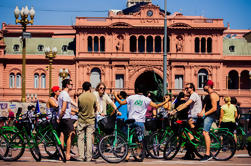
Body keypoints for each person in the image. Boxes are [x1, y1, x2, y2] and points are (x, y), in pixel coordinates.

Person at [113, 85, 170, 161]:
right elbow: (156, 106)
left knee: (129, 139)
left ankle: (127, 154)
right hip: (140, 122)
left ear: (136, 90)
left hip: (130, 121)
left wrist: (115, 95)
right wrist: (166, 101)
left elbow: (121, 102)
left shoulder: (131, 97)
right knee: (139, 140)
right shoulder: (146, 99)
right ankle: (139, 156)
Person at [171, 83, 202, 160]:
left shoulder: (194, 95)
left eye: (187, 88)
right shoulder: (191, 96)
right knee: (187, 135)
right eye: (185, 89)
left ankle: (196, 141)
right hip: (190, 117)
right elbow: (183, 104)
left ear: (192, 88)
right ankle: (190, 153)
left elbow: (186, 104)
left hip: (194, 117)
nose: (186, 90)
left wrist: (176, 110)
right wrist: (174, 110)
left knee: (190, 135)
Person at [197, 80, 220, 161]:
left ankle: (207, 154)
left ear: (208, 86)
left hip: (211, 116)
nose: (203, 87)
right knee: (193, 125)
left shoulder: (213, 95)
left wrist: (204, 114)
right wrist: (201, 113)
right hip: (206, 115)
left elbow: (214, 108)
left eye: (204, 85)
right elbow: (204, 108)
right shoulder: (207, 96)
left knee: (205, 132)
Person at [77, 81, 99, 162]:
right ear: (90, 88)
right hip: (91, 120)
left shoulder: (80, 97)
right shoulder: (93, 96)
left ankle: (81, 157)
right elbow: (96, 107)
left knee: (80, 139)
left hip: (81, 120)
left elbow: (79, 108)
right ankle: (88, 157)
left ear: (83, 88)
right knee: (89, 139)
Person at [57, 79, 74, 160]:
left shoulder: (61, 94)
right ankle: (67, 154)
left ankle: (61, 155)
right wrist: (60, 117)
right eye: (71, 84)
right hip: (65, 117)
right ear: (67, 85)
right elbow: (63, 108)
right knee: (71, 134)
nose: (72, 85)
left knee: (62, 135)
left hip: (62, 117)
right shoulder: (66, 94)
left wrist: (59, 118)